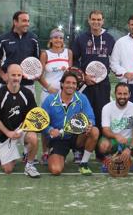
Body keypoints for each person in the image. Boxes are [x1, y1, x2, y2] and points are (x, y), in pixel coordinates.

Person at [41, 71, 99, 176]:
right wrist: (50, 130)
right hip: (59, 139)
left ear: (76, 86)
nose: (70, 85)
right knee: (56, 170)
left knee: (94, 131)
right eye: (68, 82)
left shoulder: (82, 98)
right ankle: (52, 154)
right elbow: (42, 121)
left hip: (77, 137)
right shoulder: (50, 100)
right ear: (62, 84)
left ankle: (83, 163)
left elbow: (90, 117)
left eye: (74, 83)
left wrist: (89, 124)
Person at [0, 64, 40, 177]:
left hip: (22, 129)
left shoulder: (27, 93)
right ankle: (10, 153)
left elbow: (33, 115)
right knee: (8, 169)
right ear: (7, 75)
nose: (16, 78)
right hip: (6, 133)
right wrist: (8, 133)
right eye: (13, 75)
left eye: (19, 75)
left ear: (22, 76)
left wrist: (23, 129)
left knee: (33, 137)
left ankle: (30, 164)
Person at [72, 10, 116, 128]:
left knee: (102, 112)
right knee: (84, 113)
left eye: (98, 19)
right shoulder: (81, 38)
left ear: (103, 21)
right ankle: (83, 144)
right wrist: (83, 77)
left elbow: (114, 60)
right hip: (86, 84)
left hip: (103, 84)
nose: (96, 22)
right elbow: (74, 60)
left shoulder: (110, 39)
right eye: (93, 19)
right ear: (89, 20)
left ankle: (100, 143)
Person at [38, 28, 72, 164]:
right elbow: (39, 75)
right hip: (47, 94)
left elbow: (70, 74)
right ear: (51, 40)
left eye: (61, 38)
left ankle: (62, 150)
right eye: (56, 37)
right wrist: (48, 87)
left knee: (65, 122)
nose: (58, 40)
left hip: (65, 95)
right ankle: (45, 152)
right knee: (45, 123)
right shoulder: (45, 54)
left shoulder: (68, 53)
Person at [97, 83, 133, 170]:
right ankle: (111, 157)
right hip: (113, 140)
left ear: (129, 95)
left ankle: (131, 157)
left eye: (125, 94)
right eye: (119, 94)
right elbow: (105, 130)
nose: (122, 97)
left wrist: (129, 148)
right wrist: (115, 135)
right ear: (115, 94)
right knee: (103, 146)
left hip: (129, 140)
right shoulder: (107, 108)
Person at [0, 11, 40, 94]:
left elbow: (36, 60)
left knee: (29, 107)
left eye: (28, 21)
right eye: (24, 21)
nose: (27, 24)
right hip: (7, 84)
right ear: (15, 22)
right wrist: (3, 75)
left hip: (27, 85)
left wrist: (35, 74)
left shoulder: (34, 39)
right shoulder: (3, 40)